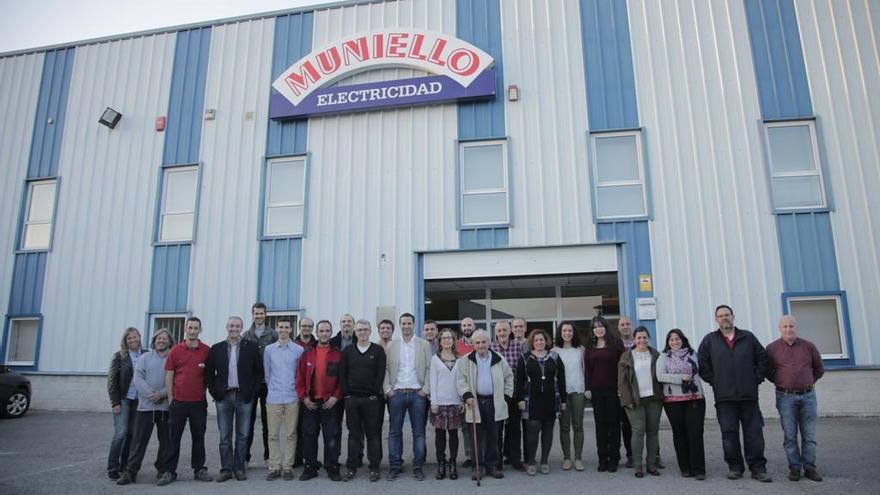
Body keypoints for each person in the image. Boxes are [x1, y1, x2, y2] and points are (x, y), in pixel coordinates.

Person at [698, 305, 771, 482]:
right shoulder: (710, 340)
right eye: (721, 316)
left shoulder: (748, 337)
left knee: (754, 433)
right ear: (716, 319)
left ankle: (758, 468)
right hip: (724, 398)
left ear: (733, 316)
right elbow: (702, 363)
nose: (724, 318)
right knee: (729, 434)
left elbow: (763, 358)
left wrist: (756, 378)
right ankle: (735, 467)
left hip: (748, 396)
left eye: (727, 315)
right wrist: (715, 381)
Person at [766, 315, 825, 482]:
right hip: (785, 397)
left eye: (791, 326)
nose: (788, 329)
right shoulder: (771, 348)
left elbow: (819, 369)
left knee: (809, 436)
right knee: (790, 436)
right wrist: (781, 381)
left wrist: (807, 382)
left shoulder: (809, 347)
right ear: (780, 328)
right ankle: (794, 468)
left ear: (796, 328)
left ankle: (810, 468)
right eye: (784, 326)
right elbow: (766, 370)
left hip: (808, 396)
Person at [205, 316, 263, 481]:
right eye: (231, 326)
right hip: (223, 396)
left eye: (237, 326)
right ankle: (226, 469)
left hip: (244, 396)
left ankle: (239, 467)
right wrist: (214, 392)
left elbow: (259, 372)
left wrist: (252, 393)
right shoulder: (216, 349)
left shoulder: (250, 348)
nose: (234, 329)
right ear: (227, 327)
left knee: (243, 435)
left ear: (242, 328)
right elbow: (208, 373)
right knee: (224, 436)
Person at [159, 317, 213, 486]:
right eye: (190, 327)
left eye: (196, 328)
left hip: (198, 402)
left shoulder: (206, 351)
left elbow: (210, 375)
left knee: (199, 437)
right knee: (173, 438)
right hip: (179, 402)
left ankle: (199, 469)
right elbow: (169, 375)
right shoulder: (175, 351)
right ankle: (169, 471)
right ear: (185, 329)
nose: (192, 331)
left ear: (200, 330)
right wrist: (171, 398)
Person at [457, 329, 513, 480]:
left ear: (489, 342)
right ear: (473, 344)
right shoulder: (465, 360)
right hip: (474, 402)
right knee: (476, 436)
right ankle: (478, 467)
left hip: (494, 402)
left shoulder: (498, 359)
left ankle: (492, 465)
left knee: (494, 436)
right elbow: (460, 380)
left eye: (483, 342)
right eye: (477, 342)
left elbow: (509, 378)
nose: (481, 345)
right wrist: (467, 395)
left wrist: (506, 397)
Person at [384, 313, 432, 481]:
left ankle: (418, 467)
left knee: (418, 433)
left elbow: (428, 368)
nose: (406, 326)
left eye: (409, 323)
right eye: (403, 323)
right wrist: (388, 389)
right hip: (396, 394)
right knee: (394, 432)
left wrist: (425, 390)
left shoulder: (423, 344)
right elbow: (387, 369)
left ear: (413, 324)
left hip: (417, 394)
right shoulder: (391, 345)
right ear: (399, 325)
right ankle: (395, 466)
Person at [296, 320, 344, 481]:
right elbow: (300, 378)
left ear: (331, 333)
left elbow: (342, 380)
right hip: (311, 403)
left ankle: (332, 467)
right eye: (321, 331)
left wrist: (336, 397)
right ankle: (310, 468)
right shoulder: (307, 354)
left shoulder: (338, 354)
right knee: (309, 435)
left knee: (331, 436)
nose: (324, 334)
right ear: (317, 333)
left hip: (329, 403)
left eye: (327, 331)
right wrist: (304, 398)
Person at [656, 329, 706, 480]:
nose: (674, 342)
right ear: (668, 342)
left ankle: (698, 469)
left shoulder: (693, 354)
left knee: (695, 433)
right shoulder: (663, 356)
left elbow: (701, 370)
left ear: (682, 339)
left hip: (694, 398)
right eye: (671, 340)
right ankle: (685, 467)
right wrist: (680, 378)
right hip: (673, 401)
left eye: (677, 339)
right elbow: (660, 376)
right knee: (680, 434)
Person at [340, 319, 386, 482]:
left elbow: (380, 374)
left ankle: (374, 467)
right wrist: (346, 394)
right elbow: (342, 374)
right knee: (353, 435)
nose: (362, 332)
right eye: (359, 330)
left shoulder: (378, 350)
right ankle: (351, 467)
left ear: (370, 331)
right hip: (352, 399)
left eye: (365, 329)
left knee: (373, 435)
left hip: (371, 399)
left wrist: (374, 393)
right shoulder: (348, 351)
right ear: (355, 331)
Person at [516, 329, 566, 475]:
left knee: (548, 431)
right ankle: (531, 461)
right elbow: (519, 381)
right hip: (531, 400)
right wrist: (519, 399)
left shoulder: (555, 357)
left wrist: (563, 400)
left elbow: (562, 380)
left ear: (546, 341)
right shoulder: (524, 358)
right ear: (532, 342)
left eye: (542, 340)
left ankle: (544, 461)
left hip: (550, 399)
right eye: (536, 340)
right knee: (532, 431)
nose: (539, 342)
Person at [263, 317, 305, 481]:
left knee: (291, 434)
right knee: (273, 434)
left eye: (286, 327)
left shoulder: (298, 350)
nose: (283, 330)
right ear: (276, 328)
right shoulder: (269, 350)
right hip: (273, 397)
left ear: (291, 329)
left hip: (291, 397)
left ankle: (287, 466)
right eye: (280, 327)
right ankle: (274, 466)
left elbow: (299, 374)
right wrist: (273, 388)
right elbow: (267, 374)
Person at [618, 326, 663, 478]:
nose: (642, 340)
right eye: (639, 338)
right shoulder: (626, 356)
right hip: (635, 400)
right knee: (638, 431)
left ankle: (651, 464)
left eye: (644, 337)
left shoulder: (656, 355)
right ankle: (638, 465)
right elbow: (622, 382)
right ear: (634, 339)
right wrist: (627, 400)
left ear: (648, 339)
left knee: (653, 432)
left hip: (654, 399)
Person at [584, 315, 624, 472]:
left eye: (600, 326)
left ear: (606, 327)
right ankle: (602, 458)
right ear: (592, 330)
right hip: (596, 391)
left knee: (614, 424)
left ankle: (614, 458)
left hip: (614, 390)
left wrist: (622, 387)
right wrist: (587, 388)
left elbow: (623, 367)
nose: (598, 329)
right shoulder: (590, 347)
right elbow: (587, 369)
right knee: (600, 425)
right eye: (595, 327)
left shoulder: (616, 344)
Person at [242, 302, 277, 467]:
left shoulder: (273, 335)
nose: (259, 316)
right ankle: (245, 457)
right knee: (247, 422)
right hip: (250, 384)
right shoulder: (246, 335)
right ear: (252, 314)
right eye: (256, 313)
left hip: (267, 384)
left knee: (267, 422)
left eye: (261, 313)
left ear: (266, 315)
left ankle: (268, 457)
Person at [107, 327, 144, 480]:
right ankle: (112, 467)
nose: (132, 340)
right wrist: (114, 402)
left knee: (132, 435)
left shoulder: (145, 355)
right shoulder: (119, 356)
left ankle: (126, 467)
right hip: (122, 400)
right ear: (125, 341)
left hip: (138, 401)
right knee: (121, 433)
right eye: (129, 338)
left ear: (139, 337)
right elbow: (112, 380)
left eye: (134, 337)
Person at [490, 320, 526, 471]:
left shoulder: (519, 347)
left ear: (510, 331)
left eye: (504, 330)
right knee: (497, 429)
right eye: (499, 331)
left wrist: (521, 396)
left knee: (514, 428)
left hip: (514, 394)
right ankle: (497, 460)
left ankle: (515, 459)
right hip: (496, 395)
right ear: (496, 332)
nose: (502, 333)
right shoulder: (490, 348)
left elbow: (523, 373)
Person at [429, 328, 463, 480]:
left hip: (455, 402)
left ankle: (453, 462)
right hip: (440, 402)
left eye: (450, 338)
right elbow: (433, 382)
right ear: (440, 341)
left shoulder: (459, 358)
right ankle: (441, 463)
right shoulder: (435, 359)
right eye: (444, 338)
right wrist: (433, 402)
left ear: (453, 340)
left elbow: (462, 381)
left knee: (454, 434)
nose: (447, 341)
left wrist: (462, 399)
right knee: (440, 435)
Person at [555, 321, 586, 471]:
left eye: (570, 331)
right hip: (562, 392)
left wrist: (588, 388)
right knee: (564, 426)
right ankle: (567, 457)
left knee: (578, 425)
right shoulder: (555, 351)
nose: (567, 333)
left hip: (578, 390)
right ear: (560, 333)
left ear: (574, 333)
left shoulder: (581, 350)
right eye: (564, 330)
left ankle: (578, 458)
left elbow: (586, 370)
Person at [292, 317, 316, 467]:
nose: (306, 328)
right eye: (304, 326)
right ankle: (297, 458)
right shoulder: (292, 344)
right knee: (296, 427)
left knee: (309, 429)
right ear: (299, 327)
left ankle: (310, 458)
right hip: (295, 390)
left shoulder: (316, 345)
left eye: (309, 326)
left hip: (312, 392)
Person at [617, 316, 635, 467]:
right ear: (618, 327)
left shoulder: (640, 340)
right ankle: (631, 455)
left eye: (627, 324)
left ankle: (655, 454)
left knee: (646, 424)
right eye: (622, 324)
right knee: (627, 424)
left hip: (642, 389)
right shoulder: (616, 345)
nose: (625, 326)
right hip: (624, 390)